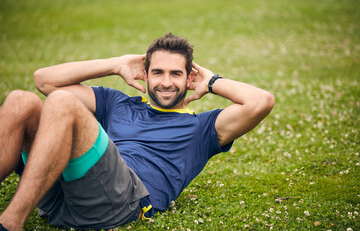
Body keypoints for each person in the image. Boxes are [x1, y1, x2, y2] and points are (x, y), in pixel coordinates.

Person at [0, 33, 274, 230]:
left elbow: (261, 102)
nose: (166, 82)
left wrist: (212, 81)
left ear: (190, 78)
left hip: (122, 201)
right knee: (20, 101)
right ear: (145, 73)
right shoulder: (116, 103)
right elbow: (43, 80)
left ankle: (10, 222)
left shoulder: (202, 128)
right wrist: (115, 64)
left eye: (176, 74)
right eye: (158, 72)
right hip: (60, 195)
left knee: (61, 102)